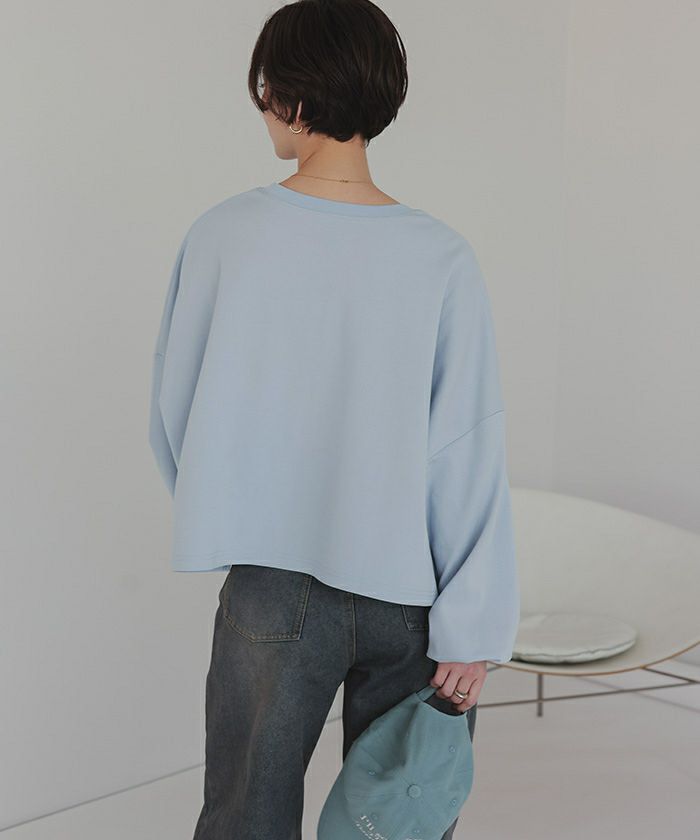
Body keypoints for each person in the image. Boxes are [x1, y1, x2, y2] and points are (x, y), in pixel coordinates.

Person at [148, 1, 520, 837]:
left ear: (286, 92)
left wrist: (237, 510)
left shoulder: (224, 236)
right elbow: (467, 448)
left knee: (244, 814)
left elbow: (177, 412)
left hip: (272, 584)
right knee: (398, 821)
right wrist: (473, 622)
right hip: (411, 592)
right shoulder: (441, 257)